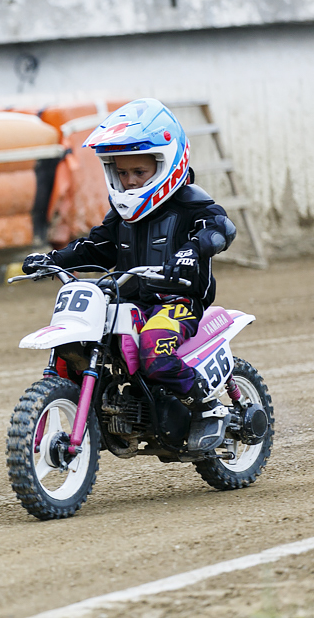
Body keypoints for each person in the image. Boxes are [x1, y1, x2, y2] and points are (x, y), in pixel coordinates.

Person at [22, 98, 237, 452]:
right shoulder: (121, 216)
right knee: (80, 346)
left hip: (177, 302)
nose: (129, 180)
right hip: (129, 301)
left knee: (154, 350)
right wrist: (52, 258)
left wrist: (193, 249)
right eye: (122, 173)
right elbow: (95, 247)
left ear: (166, 163)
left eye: (139, 172)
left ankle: (207, 406)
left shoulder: (190, 203)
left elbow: (219, 228)